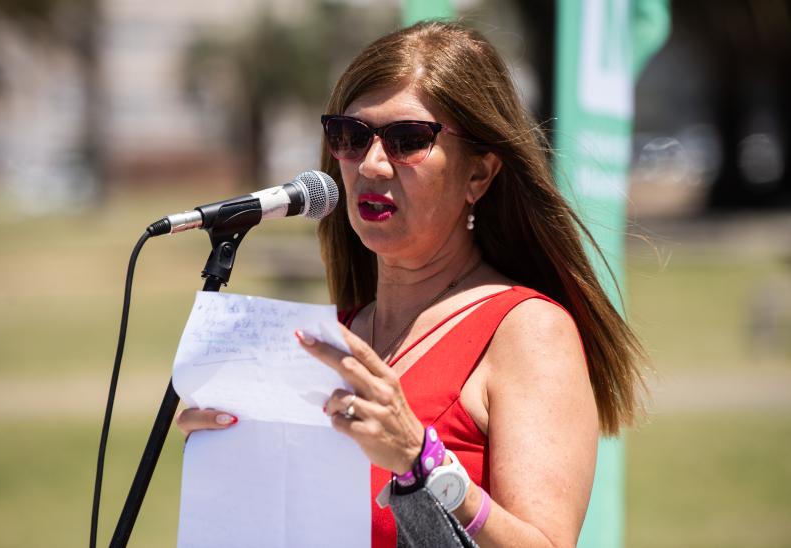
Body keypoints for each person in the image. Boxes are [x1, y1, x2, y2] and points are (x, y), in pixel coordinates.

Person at [177, 21, 644, 548]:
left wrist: (422, 462)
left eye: (407, 141)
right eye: (351, 137)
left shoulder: (527, 331)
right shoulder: (335, 338)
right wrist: (228, 460)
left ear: (479, 174)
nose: (371, 165)